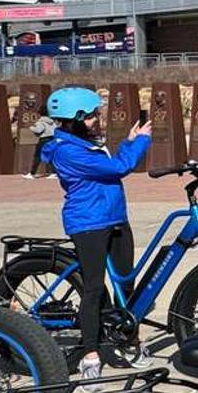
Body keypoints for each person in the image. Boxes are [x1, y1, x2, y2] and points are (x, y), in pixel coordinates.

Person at [41, 86, 150, 372]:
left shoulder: (85, 144)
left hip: (115, 218)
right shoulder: (67, 151)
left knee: (126, 282)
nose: (96, 120)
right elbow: (118, 169)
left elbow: (112, 164)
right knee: (93, 289)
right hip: (89, 223)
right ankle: (90, 351)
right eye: (90, 116)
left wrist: (128, 141)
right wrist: (141, 143)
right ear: (74, 118)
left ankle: (127, 339)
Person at [21, 112, 56, 180]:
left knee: (37, 156)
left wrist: (31, 127)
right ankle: (53, 173)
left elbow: (38, 130)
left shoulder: (41, 121)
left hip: (44, 140)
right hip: (52, 139)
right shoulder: (52, 121)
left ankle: (32, 173)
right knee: (50, 156)